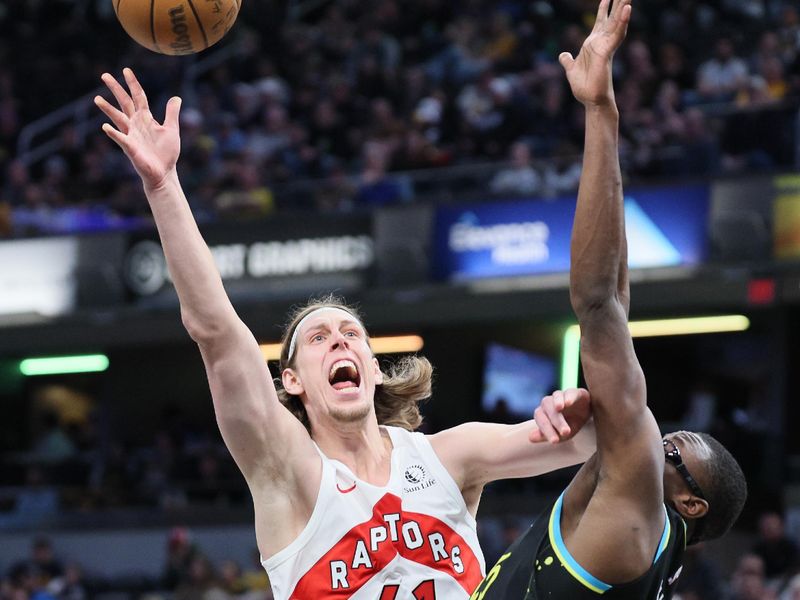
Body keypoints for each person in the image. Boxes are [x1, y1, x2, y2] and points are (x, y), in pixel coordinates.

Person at [94, 68, 598, 598]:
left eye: (352, 334)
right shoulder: (286, 469)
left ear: (375, 368)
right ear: (291, 381)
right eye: (318, 339)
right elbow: (215, 331)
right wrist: (163, 185)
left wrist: (579, 414)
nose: (339, 341)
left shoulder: (448, 456)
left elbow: (591, 444)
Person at [468, 0, 748, 598]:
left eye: (668, 451)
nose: (650, 439)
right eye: (665, 436)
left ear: (689, 504)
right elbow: (613, 302)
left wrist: (600, 112)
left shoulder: (633, 523)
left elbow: (597, 304)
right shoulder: (638, 534)